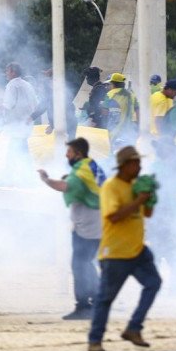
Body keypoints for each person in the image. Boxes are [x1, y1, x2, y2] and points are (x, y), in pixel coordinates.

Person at [87, 146, 161, 351]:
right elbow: (113, 216)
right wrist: (139, 199)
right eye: (135, 163)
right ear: (124, 166)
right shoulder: (111, 186)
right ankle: (95, 341)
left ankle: (134, 328)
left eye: (139, 163)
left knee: (154, 283)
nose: (138, 167)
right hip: (116, 253)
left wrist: (150, 198)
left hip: (137, 250)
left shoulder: (136, 185)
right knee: (105, 299)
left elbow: (147, 214)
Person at [37, 137, 106, 320]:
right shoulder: (90, 166)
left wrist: (46, 180)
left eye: (69, 152)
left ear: (78, 153)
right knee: (87, 262)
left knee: (80, 264)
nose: (67, 155)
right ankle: (99, 300)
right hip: (96, 220)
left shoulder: (81, 170)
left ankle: (84, 306)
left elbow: (65, 186)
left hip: (88, 222)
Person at [0, 63, 38, 181]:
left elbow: (9, 105)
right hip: (26, 123)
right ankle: (25, 176)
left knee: (15, 149)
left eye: (8, 71)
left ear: (14, 72)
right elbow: (35, 104)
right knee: (20, 148)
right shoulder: (28, 85)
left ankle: (11, 176)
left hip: (16, 124)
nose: (6, 73)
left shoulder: (12, 85)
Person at [101, 73, 138, 151]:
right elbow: (138, 111)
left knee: (113, 156)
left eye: (108, 84)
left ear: (113, 84)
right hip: (129, 131)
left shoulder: (109, 94)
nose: (107, 87)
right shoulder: (132, 95)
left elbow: (104, 112)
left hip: (114, 131)